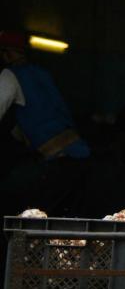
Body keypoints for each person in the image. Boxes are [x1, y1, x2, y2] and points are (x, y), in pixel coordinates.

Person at [0, 30, 91, 217]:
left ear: (6, 53)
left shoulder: (10, 75)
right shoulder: (42, 74)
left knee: (26, 214)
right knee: (62, 223)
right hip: (79, 158)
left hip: (54, 164)